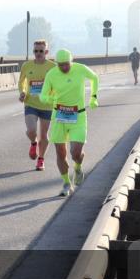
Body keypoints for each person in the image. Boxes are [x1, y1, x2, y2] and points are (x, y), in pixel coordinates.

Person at [39, 49, 99, 197]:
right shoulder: (51, 74)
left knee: (75, 152)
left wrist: (93, 97)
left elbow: (94, 78)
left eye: (66, 64)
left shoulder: (80, 68)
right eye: (61, 65)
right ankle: (66, 183)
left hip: (78, 116)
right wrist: (48, 99)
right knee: (61, 152)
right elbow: (43, 95)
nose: (64, 68)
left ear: (71, 61)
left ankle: (78, 167)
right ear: (56, 63)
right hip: (59, 117)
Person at [18, 40, 56, 171]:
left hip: (46, 105)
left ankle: (41, 159)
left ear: (46, 52)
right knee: (31, 130)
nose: (38, 53)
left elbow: (58, 84)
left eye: (41, 51)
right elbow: (21, 81)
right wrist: (22, 92)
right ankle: (33, 143)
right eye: (36, 51)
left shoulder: (53, 67)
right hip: (31, 103)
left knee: (44, 135)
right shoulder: (27, 66)